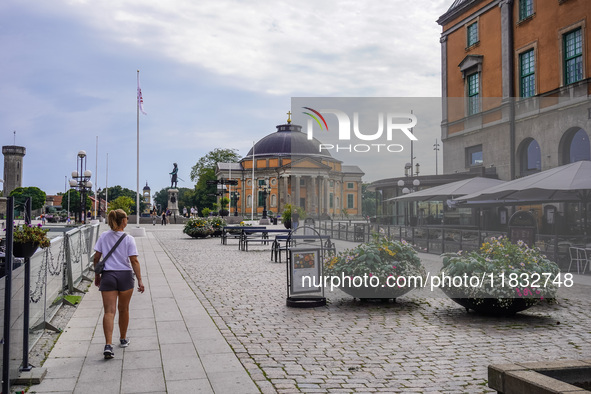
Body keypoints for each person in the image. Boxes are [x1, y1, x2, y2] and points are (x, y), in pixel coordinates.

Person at [93, 209, 145, 359]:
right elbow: (134, 260)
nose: (127, 220)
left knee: (109, 312)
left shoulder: (103, 236)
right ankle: (122, 339)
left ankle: (108, 345)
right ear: (123, 221)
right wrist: (140, 280)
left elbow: (97, 257)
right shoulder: (128, 239)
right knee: (124, 309)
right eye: (126, 218)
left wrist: (97, 275)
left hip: (108, 276)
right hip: (125, 276)